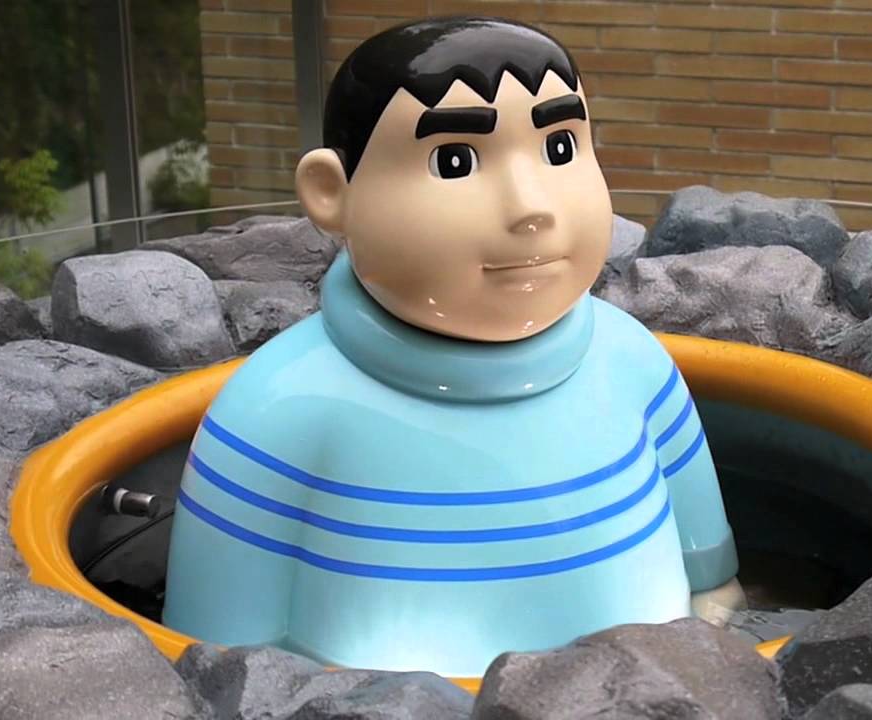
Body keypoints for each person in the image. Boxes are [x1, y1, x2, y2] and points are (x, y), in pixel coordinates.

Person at [163, 16, 741, 677]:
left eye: (559, 148)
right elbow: (216, 659)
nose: (531, 207)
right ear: (331, 193)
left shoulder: (630, 361)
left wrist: (710, 625)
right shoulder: (276, 410)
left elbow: (709, 569)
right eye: (455, 161)